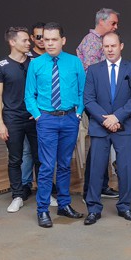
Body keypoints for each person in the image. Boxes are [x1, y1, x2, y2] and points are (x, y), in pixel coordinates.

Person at [25, 22, 85, 227]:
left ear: (63, 40)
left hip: (69, 118)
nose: (48, 43)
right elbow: (29, 94)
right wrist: (38, 115)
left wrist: (78, 113)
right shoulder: (36, 64)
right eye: (44, 39)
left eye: (53, 39)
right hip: (47, 119)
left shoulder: (75, 62)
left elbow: (82, 91)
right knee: (47, 166)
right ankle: (42, 210)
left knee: (65, 165)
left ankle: (64, 205)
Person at [82, 32, 131, 224]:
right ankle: (93, 208)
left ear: (121, 46)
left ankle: (124, 206)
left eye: (113, 46)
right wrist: (105, 120)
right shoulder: (93, 70)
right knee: (96, 168)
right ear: (102, 47)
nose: (109, 49)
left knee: (125, 168)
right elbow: (88, 99)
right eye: (106, 46)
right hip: (100, 127)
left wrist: (117, 117)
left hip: (125, 126)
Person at [0, 27, 37, 212]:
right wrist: (0, 123)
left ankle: (44, 193)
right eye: (25, 40)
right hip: (13, 119)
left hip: (35, 117)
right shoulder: (0, 66)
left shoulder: (35, 62)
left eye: (29, 40)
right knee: (15, 159)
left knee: (41, 157)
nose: (29, 43)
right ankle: (17, 195)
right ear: (12, 42)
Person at [77, 8, 120, 200]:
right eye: (113, 23)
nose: (116, 27)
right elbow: (91, 77)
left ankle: (101, 185)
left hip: (103, 103)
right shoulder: (92, 42)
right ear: (101, 22)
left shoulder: (98, 42)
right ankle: (90, 189)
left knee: (102, 144)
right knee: (97, 146)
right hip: (95, 103)